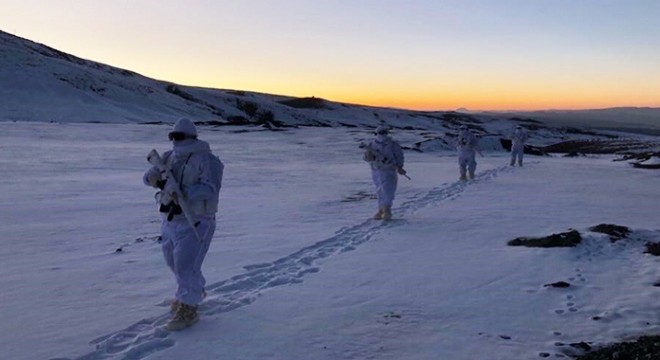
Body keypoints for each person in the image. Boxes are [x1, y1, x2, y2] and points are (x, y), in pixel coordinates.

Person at [143, 118, 224, 331]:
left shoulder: (207, 160)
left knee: (186, 265)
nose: (174, 140)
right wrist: (155, 179)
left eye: (178, 136)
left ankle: (189, 307)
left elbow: (210, 189)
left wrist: (182, 192)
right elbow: (148, 177)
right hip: (170, 219)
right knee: (173, 263)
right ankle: (192, 291)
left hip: (197, 220)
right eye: (172, 136)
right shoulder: (168, 157)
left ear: (190, 136)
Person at [362, 125, 406, 220]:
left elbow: (399, 156)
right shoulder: (372, 144)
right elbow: (366, 157)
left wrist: (400, 167)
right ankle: (381, 209)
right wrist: (369, 157)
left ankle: (387, 209)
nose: (382, 135)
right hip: (376, 170)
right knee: (379, 190)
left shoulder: (393, 144)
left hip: (389, 170)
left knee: (388, 190)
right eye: (380, 133)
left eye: (384, 133)